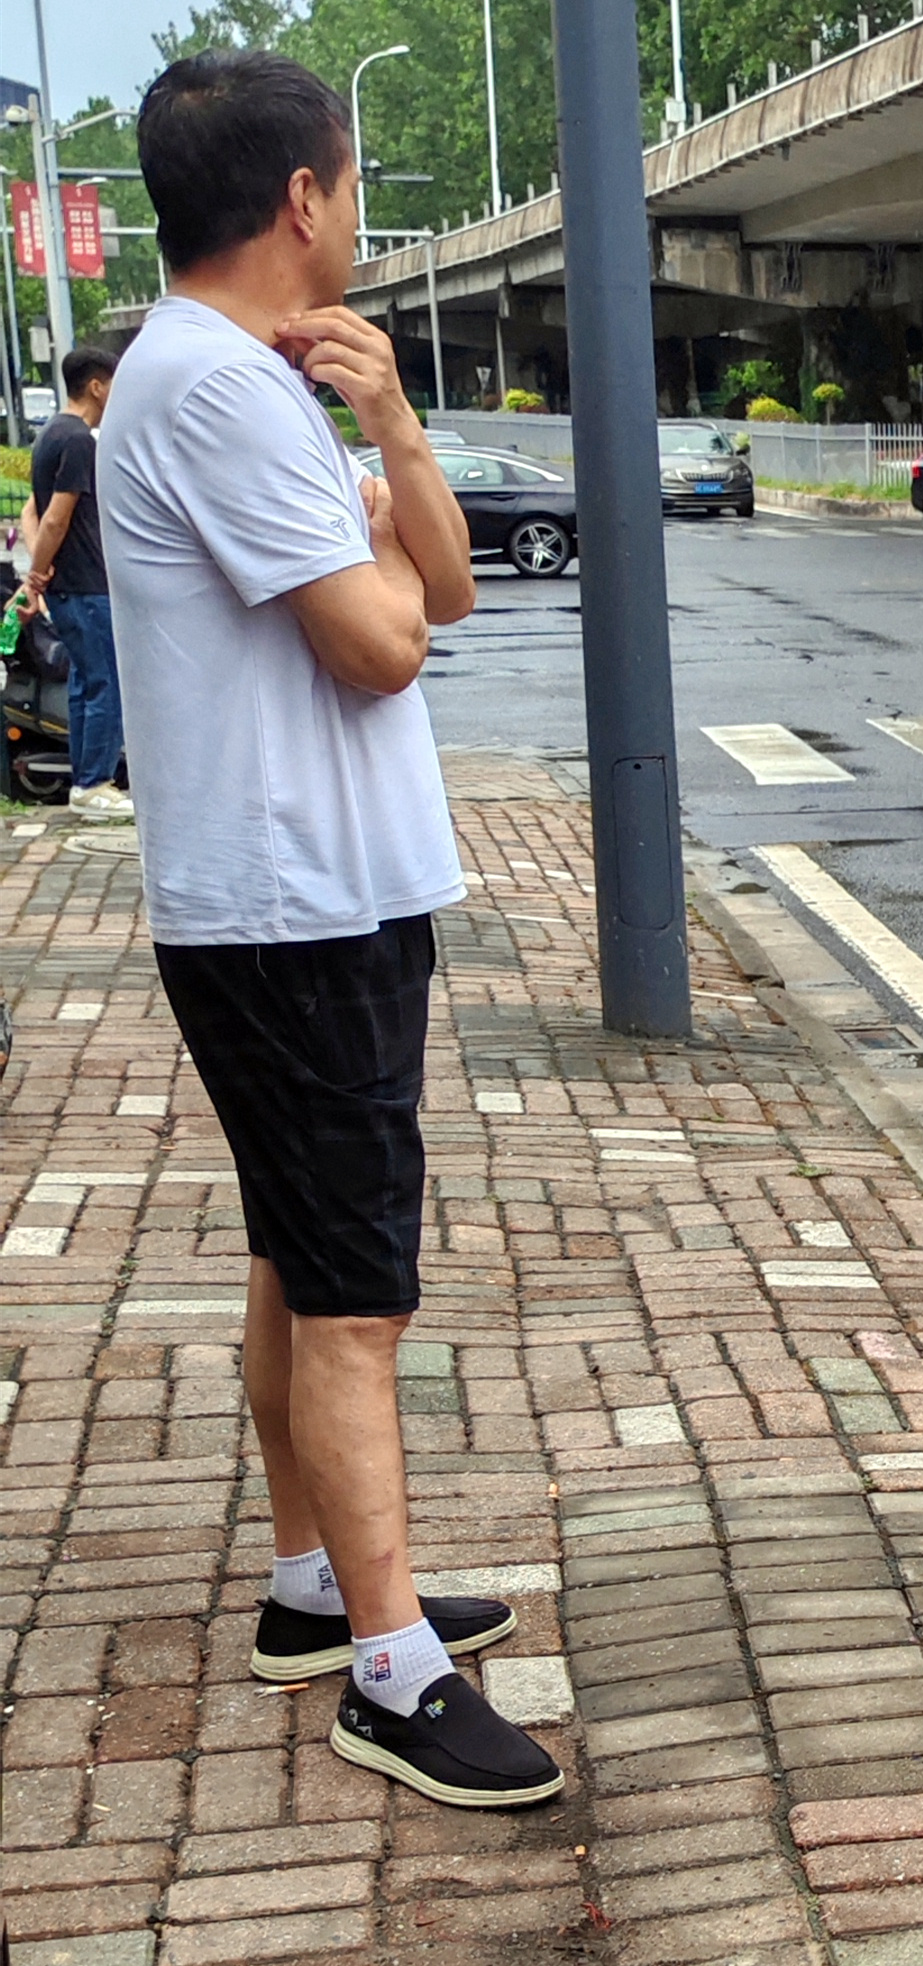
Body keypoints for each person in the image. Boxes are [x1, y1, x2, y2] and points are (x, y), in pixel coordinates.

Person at [106, 48, 559, 1808]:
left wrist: (395, 431)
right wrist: (370, 559)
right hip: (293, 904)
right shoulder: (215, 389)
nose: (361, 211)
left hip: (314, 894)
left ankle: (317, 1585)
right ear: (305, 196)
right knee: (361, 1286)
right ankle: (390, 1666)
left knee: (305, 1251)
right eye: (357, 180)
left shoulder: (251, 381)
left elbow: (430, 588)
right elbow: (379, 645)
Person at [24, 345, 127, 822]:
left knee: (86, 683)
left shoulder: (49, 435)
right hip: (86, 584)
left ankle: (86, 781)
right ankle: (94, 782)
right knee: (107, 682)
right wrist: (35, 577)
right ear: (96, 386)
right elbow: (55, 519)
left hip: (70, 586)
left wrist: (41, 575)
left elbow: (32, 511)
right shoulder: (80, 440)